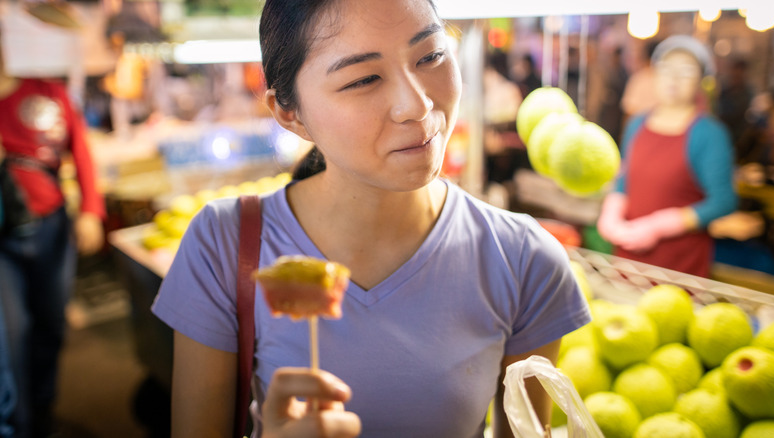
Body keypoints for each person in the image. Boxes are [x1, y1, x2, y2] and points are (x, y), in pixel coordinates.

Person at [151, 1, 591, 437]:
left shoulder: (525, 261)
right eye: (363, 79)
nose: (415, 105)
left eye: (431, 56)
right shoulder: (225, 245)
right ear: (290, 113)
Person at [0, 26, 106, 438]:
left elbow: (81, 151)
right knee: (11, 337)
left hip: (51, 229)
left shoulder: (44, 90)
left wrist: (91, 212)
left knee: (50, 326)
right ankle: (17, 424)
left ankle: (41, 413)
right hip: (3, 243)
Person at [598, 35, 737, 278]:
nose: (673, 78)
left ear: (701, 80)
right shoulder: (637, 124)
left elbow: (723, 201)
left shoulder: (709, 134)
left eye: (686, 70)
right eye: (666, 68)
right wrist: (610, 215)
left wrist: (660, 225)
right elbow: (624, 181)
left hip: (679, 266)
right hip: (628, 258)